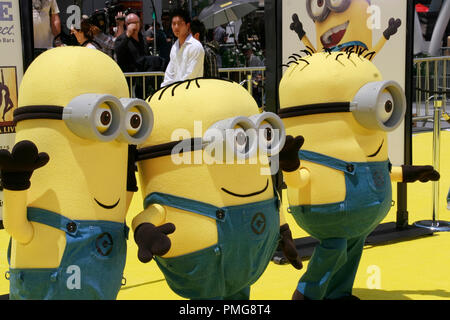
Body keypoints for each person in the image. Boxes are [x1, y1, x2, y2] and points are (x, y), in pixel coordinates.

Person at [161, 9, 205, 87]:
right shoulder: (174, 47)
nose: (176, 27)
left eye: (179, 24)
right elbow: (169, 74)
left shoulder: (195, 47)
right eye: (173, 24)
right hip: (175, 93)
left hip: (191, 92)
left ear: (187, 25)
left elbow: (190, 76)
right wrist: (164, 89)